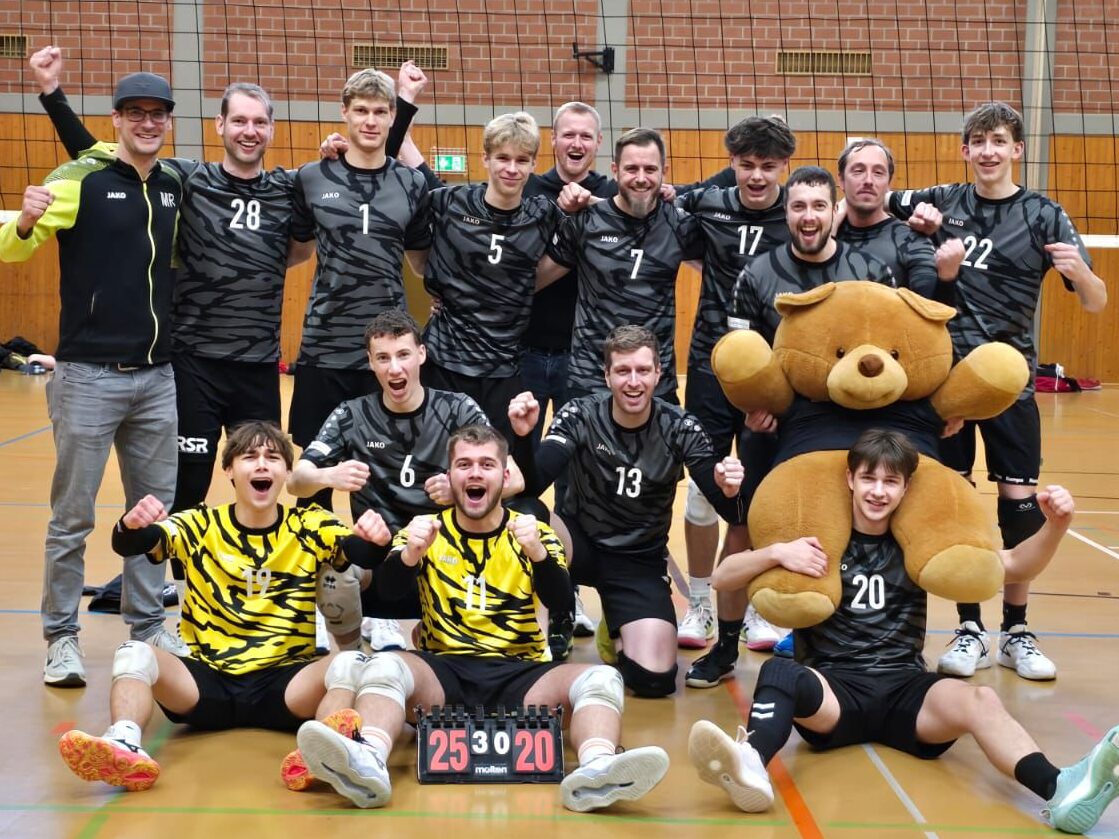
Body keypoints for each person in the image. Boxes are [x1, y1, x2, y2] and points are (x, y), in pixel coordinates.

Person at [29, 46, 427, 513]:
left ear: (272, 130)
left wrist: (391, 113)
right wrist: (51, 92)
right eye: (239, 121)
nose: (248, 131)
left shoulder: (291, 185)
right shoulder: (187, 179)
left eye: (258, 122)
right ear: (219, 125)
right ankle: (171, 561)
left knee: (263, 483)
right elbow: (102, 155)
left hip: (257, 365)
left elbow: (369, 170)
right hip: (193, 362)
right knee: (187, 486)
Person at [688, 428, 1119, 835]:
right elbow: (724, 578)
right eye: (869, 478)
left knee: (981, 698)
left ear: (905, 488)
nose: (878, 491)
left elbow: (1015, 565)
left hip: (906, 692)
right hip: (835, 693)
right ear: (850, 480)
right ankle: (749, 764)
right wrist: (777, 553)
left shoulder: (920, 546)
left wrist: (1056, 526)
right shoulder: (817, 542)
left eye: (890, 481)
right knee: (780, 672)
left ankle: (1059, 788)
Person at [294, 424, 671, 811]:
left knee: (603, 678)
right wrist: (408, 556)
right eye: (464, 465)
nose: (475, 473)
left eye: (487, 464)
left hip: (521, 677)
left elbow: (560, 602)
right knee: (385, 665)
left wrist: (539, 554)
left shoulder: (534, 533)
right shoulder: (425, 530)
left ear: (504, 476)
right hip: (444, 675)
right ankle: (368, 759)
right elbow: (388, 593)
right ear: (450, 476)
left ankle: (597, 769)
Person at [887, 102, 1108, 681]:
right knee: (957, 503)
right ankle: (968, 629)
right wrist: (911, 220)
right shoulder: (942, 200)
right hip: (947, 385)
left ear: (1017, 149)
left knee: (1018, 504)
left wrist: (1082, 273)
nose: (988, 151)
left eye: (999, 140)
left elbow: (1096, 302)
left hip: (1011, 383)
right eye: (979, 141)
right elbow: (867, 198)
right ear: (965, 150)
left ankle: (1016, 630)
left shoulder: (1043, 214)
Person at [55, 422, 390, 792]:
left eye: (273, 457)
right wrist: (129, 525)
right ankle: (123, 741)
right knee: (133, 652)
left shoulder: (309, 524)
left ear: (287, 472)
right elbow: (133, 543)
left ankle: (324, 751)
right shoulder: (200, 523)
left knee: (351, 661)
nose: (261, 464)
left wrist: (375, 540)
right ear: (229, 469)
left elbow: (361, 552)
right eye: (249, 457)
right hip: (206, 682)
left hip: (284, 685)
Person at [0, 68, 188, 686]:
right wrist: (23, 221)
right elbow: (12, 248)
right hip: (86, 378)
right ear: (117, 119)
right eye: (135, 112)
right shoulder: (78, 180)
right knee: (72, 518)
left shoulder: (173, 185)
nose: (147, 122)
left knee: (153, 513)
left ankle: (148, 626)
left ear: (168, 120)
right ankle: (61, 638)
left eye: (157, 113)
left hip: (156, 379)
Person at [685, 165, 897, 689]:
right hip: (775, 425)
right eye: (799, 206)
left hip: (845, 427)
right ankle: (725, 647)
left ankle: (833, 648)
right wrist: (751, 407)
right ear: (787, 213)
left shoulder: (868, 272)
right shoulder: (756, 275)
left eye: (818, 206)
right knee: (743, 530)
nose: (808, 216)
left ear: (834, 210)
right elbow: (741, 356)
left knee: (846, 537)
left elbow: (889, 351)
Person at [508, 326, 744, 698]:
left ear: (658, 374)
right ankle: (557, 607)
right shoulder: (581, 413)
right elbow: (530, 488)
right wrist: (523, 437)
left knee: (653, 680)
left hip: (638, 562)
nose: (633, 382)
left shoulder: (680, 427)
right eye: (622, 371)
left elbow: (729, 509)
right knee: (525, 514)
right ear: (607, 376)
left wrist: (729, 489)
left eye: (642, 371)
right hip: (579, 546)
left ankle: (617, 624)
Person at [287, 310, 524, 653]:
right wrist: (328, 476)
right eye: (383, 358)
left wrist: (459, 492)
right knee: (331, 570)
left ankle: (449, 642)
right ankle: (352, 658)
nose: (394, 369)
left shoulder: (458, 409)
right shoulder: (351, 414)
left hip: (445, 553)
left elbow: (514, 479)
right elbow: (296, 482)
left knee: (525, 520)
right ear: (370, 362)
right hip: (380, 552)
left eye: (403, 355)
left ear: (422, 354)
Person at [672, 116, 796, 652]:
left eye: (768, 166)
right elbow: (660, 200)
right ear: (732, 164)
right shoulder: (708, 202)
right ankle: (700, 603)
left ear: (784, 166)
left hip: (773, 376)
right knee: (704, 493)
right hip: (709, 367)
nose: (757, 176)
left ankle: (755, 607)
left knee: (759, 498)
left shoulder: (798, 213)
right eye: (746, 165)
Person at [289, 68, 433, 511]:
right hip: (324, 348)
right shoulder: (312, 177)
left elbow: (422, 262)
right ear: (345, 114)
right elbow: (298, 248)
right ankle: (314, 554)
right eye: (361, 111)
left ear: (392, 117)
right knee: (316, 481)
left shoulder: (411, 183)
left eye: (379, 112)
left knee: (381, 478)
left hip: (385, 353)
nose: (370, 121)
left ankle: (375, 556)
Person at [412, 112, 564, 443]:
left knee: (496, 461)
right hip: (444, 361)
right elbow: (404, 200)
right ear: (485, 158)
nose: (512, 168)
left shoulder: (543, 214)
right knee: (438, 458)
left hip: (503, 367)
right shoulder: (449, 201)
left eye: (521, 160)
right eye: (502, 158)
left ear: (533, 164)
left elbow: (586, 235)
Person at [536, 127, 704, 404]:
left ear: (664, 171)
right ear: (615, 170)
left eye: (650, 169)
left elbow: (720, 271)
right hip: (591, 379)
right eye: (631, 169)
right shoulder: (586, 221)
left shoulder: (680, 225)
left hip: (654, 381)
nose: (641, 178)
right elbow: (536, 279)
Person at [835, 136, 962, 302]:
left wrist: (947, 278)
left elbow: (932, 310)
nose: (868, 180)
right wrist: (830, 227)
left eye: (878, 173)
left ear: (889, 184)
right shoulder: (824, 234)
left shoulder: (911, 241)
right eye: (858, 171)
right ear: (841, 180)